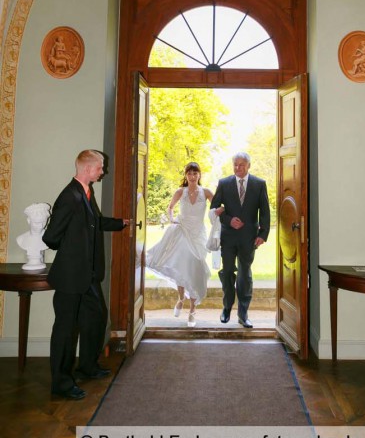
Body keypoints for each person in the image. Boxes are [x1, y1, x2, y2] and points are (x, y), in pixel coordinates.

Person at [43, 150, 131, 400]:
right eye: (100, 167)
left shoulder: (85, 193)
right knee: (65, 330)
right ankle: (60, 383)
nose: (102, 171)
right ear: (87, 168)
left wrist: (120, 223)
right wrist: (73, 251)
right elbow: (50, 237)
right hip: (71, 277)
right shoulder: (70, 196)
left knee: (96, 316)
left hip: (87, 276)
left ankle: (87, 366)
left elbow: (94, 222)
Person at [145, 162, 222, 327]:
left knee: (197, 268)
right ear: (186, 175)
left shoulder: (206, 192)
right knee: (181, 266)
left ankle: (192, 310)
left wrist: (218, 211)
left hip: (198, 235)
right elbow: (170, 207)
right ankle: (181, 299)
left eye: (195, 173)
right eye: (190, 174)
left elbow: (216, 208)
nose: (192, 177)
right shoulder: (180, 192)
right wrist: (172, 219)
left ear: (199, 175)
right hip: (182, 232)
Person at [210, 152, 270, 328]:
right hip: (228, 237)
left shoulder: (259, 184)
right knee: (227, 271)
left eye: (242, 165)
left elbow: (265, 212)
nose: (238, 168)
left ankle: (243, 313)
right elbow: (214, 208)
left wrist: (262, 235)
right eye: (235, 164)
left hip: (249, 238)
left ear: (249, 165)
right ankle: (227, 306)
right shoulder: (224, 183)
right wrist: (228, 219)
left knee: (245, 274)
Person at [17, 203, 51, 270]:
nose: (41, 226)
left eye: (44, 222)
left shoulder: (49, 237)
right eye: (37, 223)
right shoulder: (21, 239)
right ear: (29, 221)